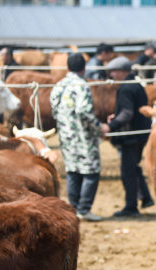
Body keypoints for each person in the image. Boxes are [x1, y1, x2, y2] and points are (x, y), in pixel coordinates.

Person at [50, 52, 108, 222]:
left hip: (66, 136)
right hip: (83, 137)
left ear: (67, 67)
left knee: (72, 171)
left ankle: (73, 208)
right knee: (91, 171)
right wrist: (99, 127)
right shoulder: (82, 86)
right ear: (84, 68)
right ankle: (84, 209)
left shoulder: (59, 85)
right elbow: (84, 112)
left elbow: (54, 109)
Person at [105, 56, 154, 217]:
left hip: (130, 136)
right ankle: (146, 198)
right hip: (140, 134)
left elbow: (127, 113)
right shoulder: (136, 84)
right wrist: (117, 115)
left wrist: (110, 126)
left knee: (128, 171)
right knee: (134, 167)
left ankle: (131, 206)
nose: (111, 75)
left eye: (113, 71)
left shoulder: (126, 88)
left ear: (121, 72)